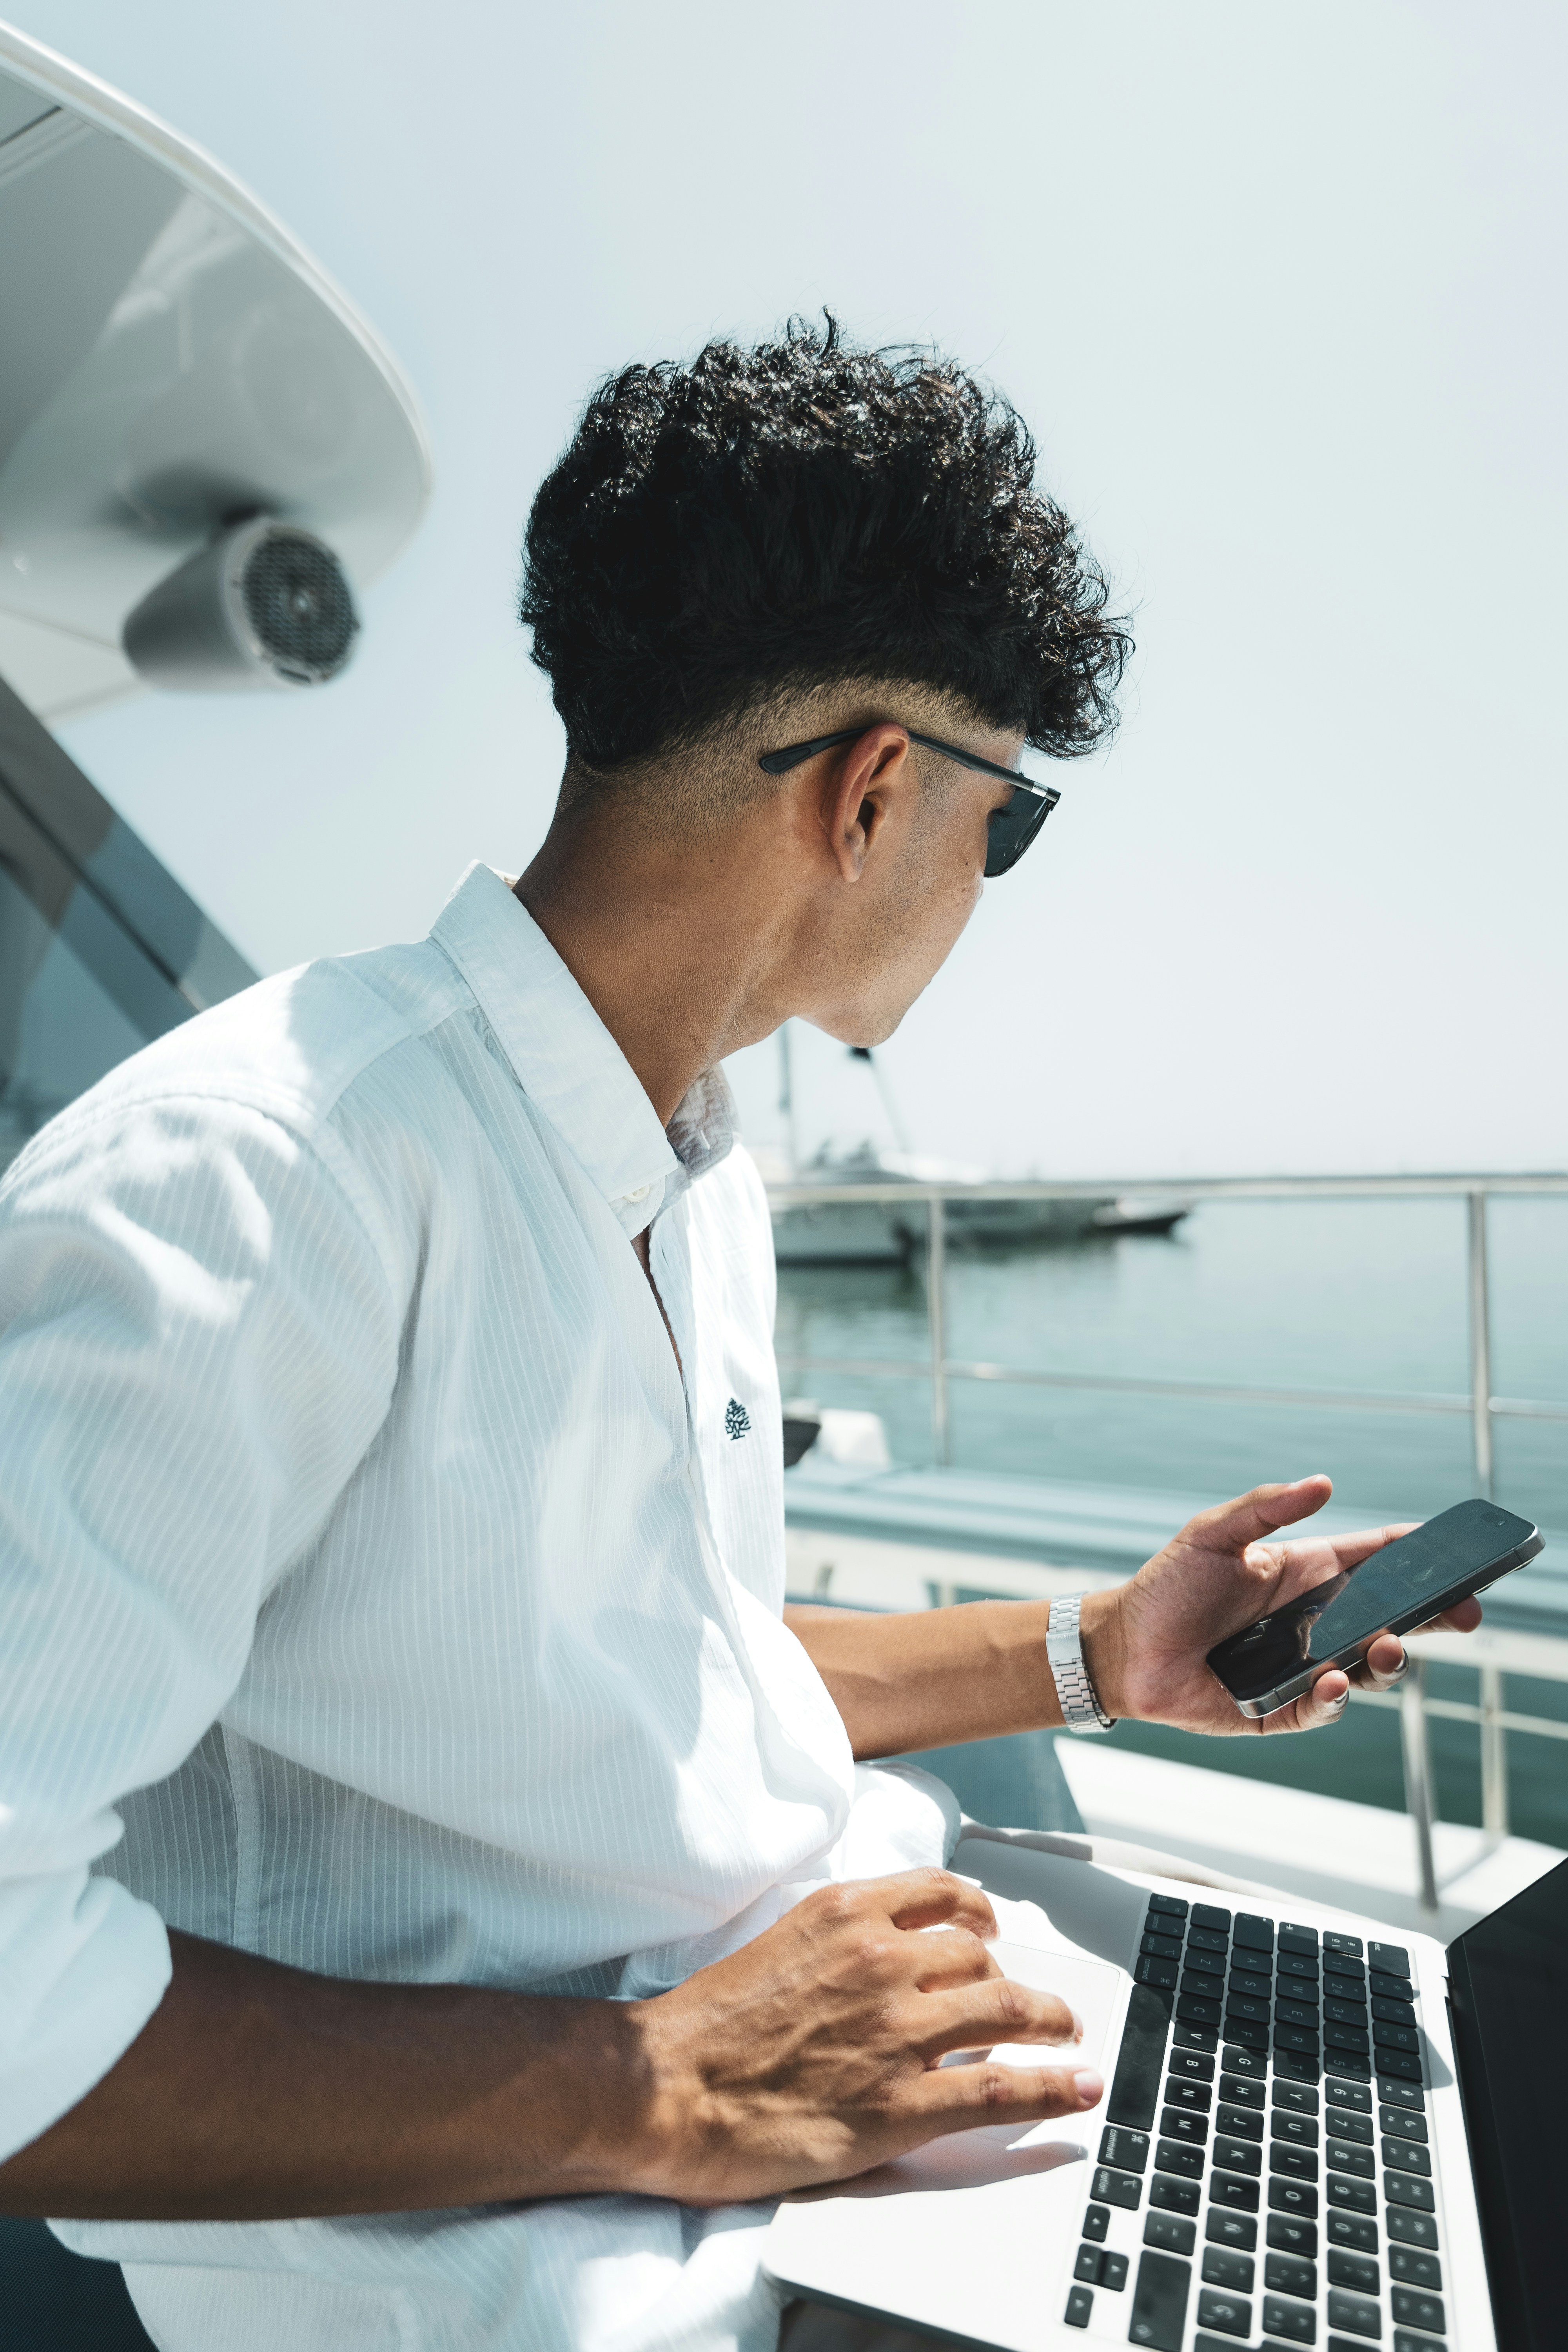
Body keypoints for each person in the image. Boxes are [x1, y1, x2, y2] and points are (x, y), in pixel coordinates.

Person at [0, 318, 1479, 2352]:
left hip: (864, 2126)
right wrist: (677, 2091)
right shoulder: (247, 1188)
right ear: (875, 795)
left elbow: (667, 1681)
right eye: (1008, 820)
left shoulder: (690, 1177)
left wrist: (1096, 1654)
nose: (992, 875)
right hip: (635, 2280)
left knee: (1447, 2094)